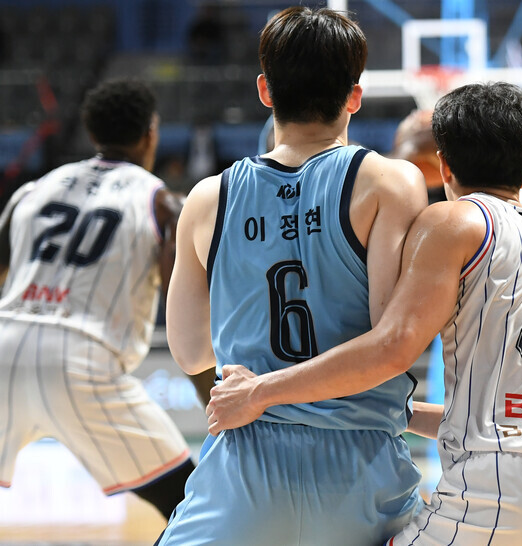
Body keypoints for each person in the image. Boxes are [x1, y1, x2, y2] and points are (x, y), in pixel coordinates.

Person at [207, 82, 522, 545]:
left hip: (504, 491)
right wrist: (393, 412)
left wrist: (260, 392)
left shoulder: (451, 222)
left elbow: (391, 349)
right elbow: (513, 419)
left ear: (443, 166)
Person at [158, 7, 428, 546]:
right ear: (354, 96)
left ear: (265, 90)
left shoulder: (207, 198)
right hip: (362, 473)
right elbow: (388, 342)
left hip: (243, 473)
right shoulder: (390, 182)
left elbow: (190, 354)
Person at [0, 79, 213, 520]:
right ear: (150, 134)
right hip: (82, 360)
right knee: (189, 506)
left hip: (4, 343)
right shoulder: (163, 204)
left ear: (91, 131)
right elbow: (186, 323)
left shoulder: (33, 190)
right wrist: (216, 405)